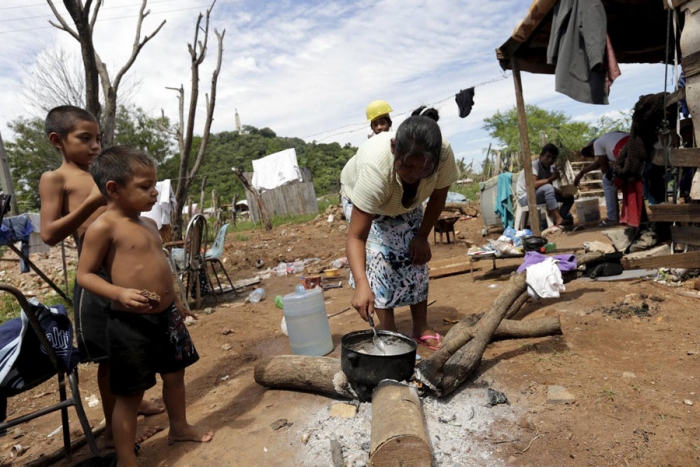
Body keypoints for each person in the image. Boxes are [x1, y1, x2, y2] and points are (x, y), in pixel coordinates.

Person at [77, 146, 213, 467]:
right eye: (144, 186)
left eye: (154, 184)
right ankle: (125, 458)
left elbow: (161, 267)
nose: (154, 192)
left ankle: (178, 427)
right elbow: (85, 275)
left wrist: (177, 302)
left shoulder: (150, 224)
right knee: (130, 394)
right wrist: (119, 293)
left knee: (175, 375)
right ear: (114, 189)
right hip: (130, 323)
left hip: (165, 318)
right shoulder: (103, 227)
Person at [38, 106, 165, 448]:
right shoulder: (56, 179)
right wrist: (91, 202)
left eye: (98, 138)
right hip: (96, 276)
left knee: (137, 343)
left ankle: (133, 403)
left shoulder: (106, 171)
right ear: (57, 141)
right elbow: (48, 233)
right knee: (111, 355)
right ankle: (112, 431)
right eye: (85, 138)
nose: (94, 145)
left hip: (127, 269)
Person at [341, 106, 459, 351]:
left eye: (423, 170)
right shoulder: (376, 169)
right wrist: (362, 283)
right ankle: (389, 332)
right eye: (406, 166)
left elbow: (437, 197)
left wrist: (422, 237)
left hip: (406, 203)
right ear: (395, 148)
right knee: (380, 260)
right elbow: (356, 237)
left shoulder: (444, 154)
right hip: (366, 201)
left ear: (435, 162)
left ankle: (420, 327)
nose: (413, 176)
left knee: (415, 257)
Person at [574, 131, 630, 226]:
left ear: (593, 148)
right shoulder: (609, 139)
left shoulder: (598, 143)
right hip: (636, 149)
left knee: (606, 180)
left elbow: (604, 168)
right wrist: (582, 172)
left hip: (628, 156)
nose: (595, 155)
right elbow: (599, 163)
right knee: (611, 178)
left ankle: (612, 217)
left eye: (593, 153)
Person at [515, 143, 574, 227]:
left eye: (553, 158)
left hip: (538, 195)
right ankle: (558, 219)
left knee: (569, 197)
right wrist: (551, 178)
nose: (550, 160)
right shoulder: (534, 165)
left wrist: (561, 193)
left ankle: (559, 219)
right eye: (548, 156)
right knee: (548, 187)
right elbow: (533, 185)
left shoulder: (550, 168)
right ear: (541, 156)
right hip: (525, 197)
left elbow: (548, 187)